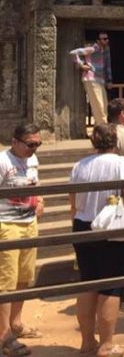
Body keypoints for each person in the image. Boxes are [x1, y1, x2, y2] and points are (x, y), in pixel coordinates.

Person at [69, 123, 124, 357]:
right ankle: (107, 344)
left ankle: (87, 342)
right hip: (112, 225)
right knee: (111, 286)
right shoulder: (122, 163)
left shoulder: (79, 165)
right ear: (116, 141)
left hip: (83, 224)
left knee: (88, 282)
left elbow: (72, 200)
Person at [0, 124, 44, 357]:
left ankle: (15, 322)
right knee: (6, 281)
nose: (34, 148)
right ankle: (4, 334)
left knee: (24, 277)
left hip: (29, 223)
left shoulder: (32, 161)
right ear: (15, 141)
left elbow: (35, 184)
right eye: (30, 144)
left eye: (38, 144)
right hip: (7, 225)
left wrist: (40, 201)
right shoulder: (2, 162)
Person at [70, 32, 113, 125]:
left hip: (100, 80)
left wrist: (109, 80)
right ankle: (103, 129)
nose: (107, 40)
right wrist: (81, 65)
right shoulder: (93, 48)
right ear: (98, 41)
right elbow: (73, 53)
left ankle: (99, 130)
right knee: (99, 106)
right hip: (91, 78)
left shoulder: (105, 51)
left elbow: (107, 67)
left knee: (104, 106)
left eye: (107, 38)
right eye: (104, 39)